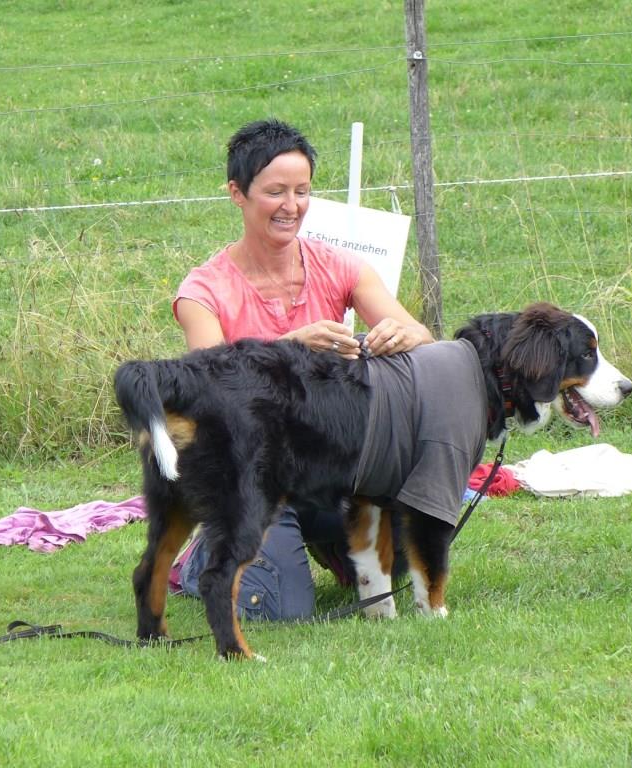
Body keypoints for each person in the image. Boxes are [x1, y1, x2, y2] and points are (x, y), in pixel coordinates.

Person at [170, 118, 434, 620]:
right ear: (237, 193)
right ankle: (201, 556)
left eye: (302, 191)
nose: (291, 206)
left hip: (330, 463)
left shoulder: (341, 265)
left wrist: (403, 337)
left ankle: (332, 544)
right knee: (285, 612)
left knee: (413, 535)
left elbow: (422, 337)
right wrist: (288, 348)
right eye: (275, 192)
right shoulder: (202, 292)